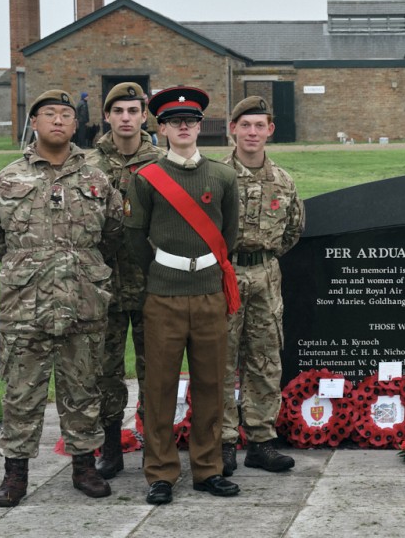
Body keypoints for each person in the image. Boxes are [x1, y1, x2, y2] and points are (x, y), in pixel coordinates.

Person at [0, 89, 122, 507]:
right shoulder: (8, 179)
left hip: (83, 300)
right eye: (48, 114)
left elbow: (111, 233)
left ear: (76, 126)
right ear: (34, 123)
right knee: (21, 392)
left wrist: (79, 265)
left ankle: (84, 467)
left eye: (65, 115)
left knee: (83, 388)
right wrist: (29, 266)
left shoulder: (96, 178)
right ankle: (15, 473)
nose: (57, 120)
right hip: (26, 306)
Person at [124, 87, 241, 505]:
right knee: (159, 388)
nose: (184, 127)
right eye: (175, 122)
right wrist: (163, 271)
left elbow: (229, 235)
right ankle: (160, 473)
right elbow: (136, 238)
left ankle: (207, 469)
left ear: (200, 126)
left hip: (209, 293)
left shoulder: (223, 176)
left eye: (190, 120)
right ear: (162, 128)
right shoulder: (147, 179)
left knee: (211, 384)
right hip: (165, 296)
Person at [221, 96, 305, 475]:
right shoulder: (215, 176)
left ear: (270, 130)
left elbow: (292, 231)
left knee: (265, 360)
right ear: (232, 129)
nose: (252, 132)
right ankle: (222, 442)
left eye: (259, 125)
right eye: (245, 125)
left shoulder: (283, 181)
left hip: (266, 278)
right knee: (220, 360)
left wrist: (262, 261)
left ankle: (260, 441)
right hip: (223, 275)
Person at [85, 82, 165, 478]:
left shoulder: (163, 161)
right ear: (107, 116)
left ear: (144, 115)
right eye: (118, 111)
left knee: (156, 368)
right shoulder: (88, 165)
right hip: (106, 287)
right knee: (106, 370)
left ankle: (155, 444)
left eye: (133, 111)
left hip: (153, 282)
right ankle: (111, 446)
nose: (126, 118)